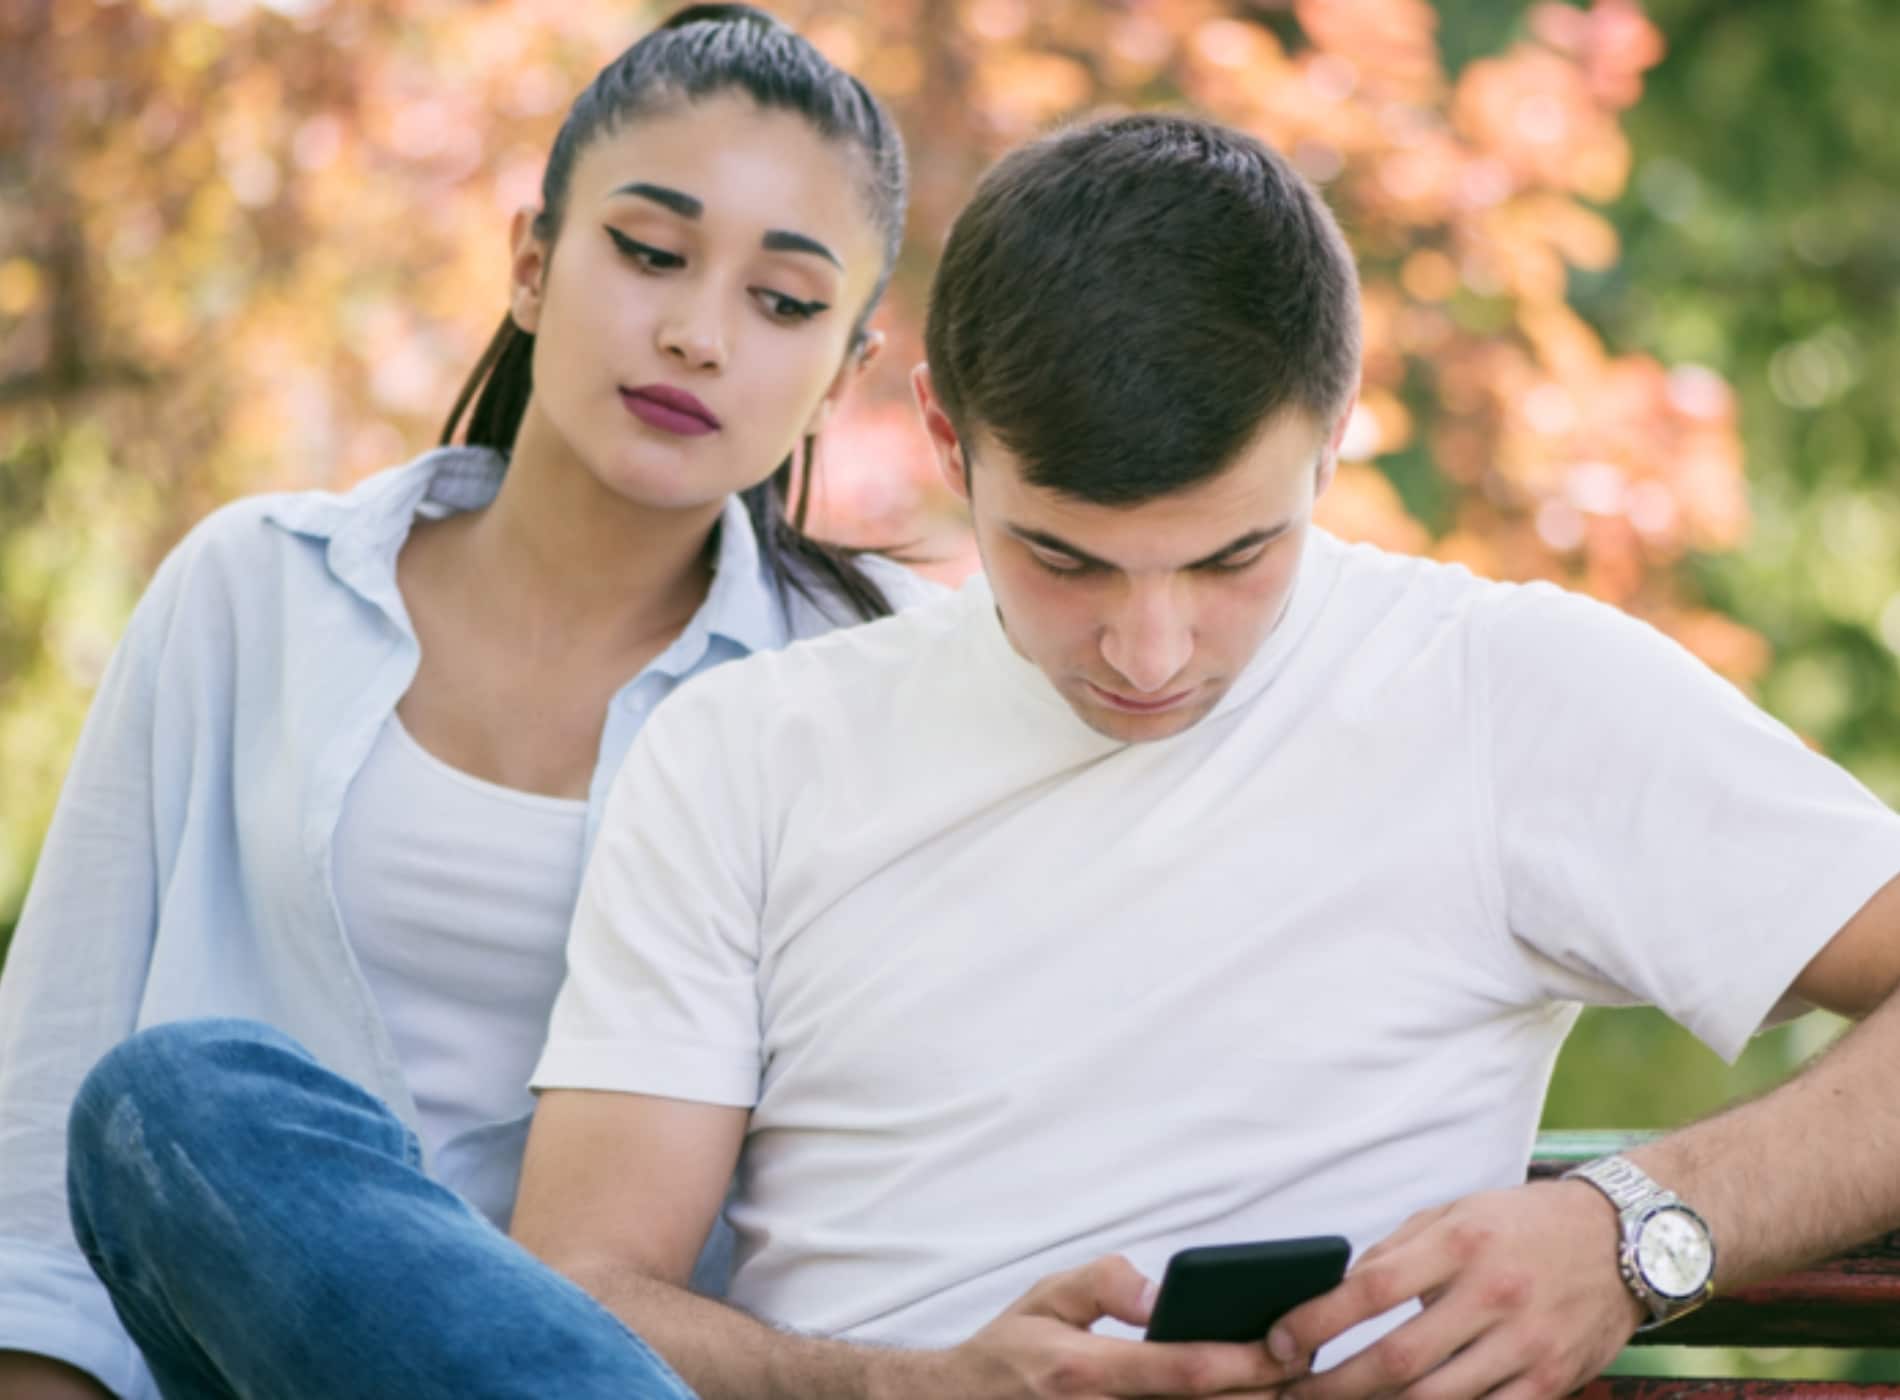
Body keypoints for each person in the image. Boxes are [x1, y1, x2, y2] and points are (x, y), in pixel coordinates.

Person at [67, 113, 1900, 1400]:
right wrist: (905, 1387)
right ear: (946, 434)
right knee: (184, 1109)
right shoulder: (751, 751)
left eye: (1235, 559)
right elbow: (586, 1303)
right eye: (1067, 560)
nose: (1152, 650)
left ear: (1333, 435)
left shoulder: (1513, 692)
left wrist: (1635, 1228)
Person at [0, 6, 934, 1397]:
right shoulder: (256, 592)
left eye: (783, 302)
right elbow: (43, 1149)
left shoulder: (879, 685)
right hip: (222, 1359)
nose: (695, 333)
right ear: (533, 263)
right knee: (180, 1097)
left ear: (844, 371)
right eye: (649, 252)